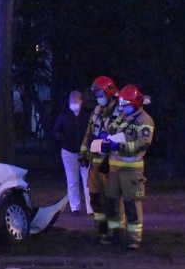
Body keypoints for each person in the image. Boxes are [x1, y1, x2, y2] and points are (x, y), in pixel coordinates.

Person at [101, 84, 154, 249]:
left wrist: (120, 147)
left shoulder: (145, 120)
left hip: (131, 170)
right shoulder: (123, 114)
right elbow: (111, 128)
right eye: (122, 105)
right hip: (114, 169)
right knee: (111, 202)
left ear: (135, 103)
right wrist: (105, 136)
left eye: (126, 105)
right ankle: (114, 234)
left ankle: (134, 238)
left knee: (132, 205)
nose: (123, 108)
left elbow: (143, 143)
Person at [78, 75, 122, 239]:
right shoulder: (96, 111)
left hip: (111, 163)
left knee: (112, 199)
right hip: (95, 163)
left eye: (100, 95)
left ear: (109, 93)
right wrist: (83, 152)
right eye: (96, 95)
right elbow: (89, 134)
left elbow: (121, 137)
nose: (98, 98)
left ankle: (116, 231)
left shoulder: (119, 112)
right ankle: (100, 228)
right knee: (95, 197)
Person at [52, 91, 90, 216]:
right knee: (72, 180)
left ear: (81, 101)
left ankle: (91, 208)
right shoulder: (64, 115)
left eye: (76, 102)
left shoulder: (86, 116)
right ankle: (75, 207)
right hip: (69, 152)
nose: (73, 104)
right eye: (71, 102)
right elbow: (56, 131)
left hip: (85, 152)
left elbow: (91, 132)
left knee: (87, 181)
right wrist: (65, 140)